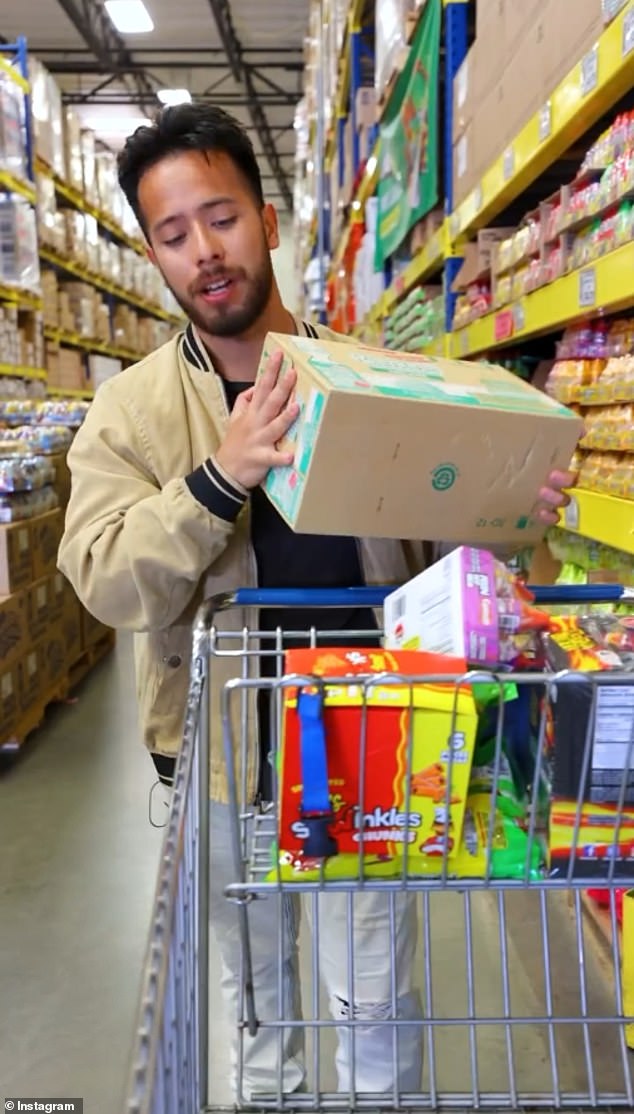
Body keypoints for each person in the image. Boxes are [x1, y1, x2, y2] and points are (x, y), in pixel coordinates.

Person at [57, 104, 575, 1101]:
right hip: (221, 770)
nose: (203, 252)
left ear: (267, 217)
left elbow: (461, 562)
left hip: (370, 752)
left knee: (378, 1018)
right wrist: (218, 477)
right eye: (172, 235)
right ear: (153, 253)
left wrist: (513, 508)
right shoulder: (131, 411)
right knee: (259, 1023)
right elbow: (105, 574)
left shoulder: (377, 379)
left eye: (220, 217)